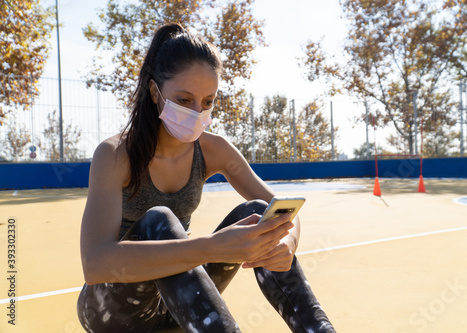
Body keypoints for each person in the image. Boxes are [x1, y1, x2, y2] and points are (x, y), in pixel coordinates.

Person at [76, 22, 336, 333]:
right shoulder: (116, 154)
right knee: (161, 219)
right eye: (185, 100)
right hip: (113, 313)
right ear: (155, 91)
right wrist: (212, 247)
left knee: (257, 213)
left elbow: (281, 209)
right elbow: (95, 264)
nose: (197, 111)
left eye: (208, 101)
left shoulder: (214, 149)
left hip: (178, 302)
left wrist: (287, 245)